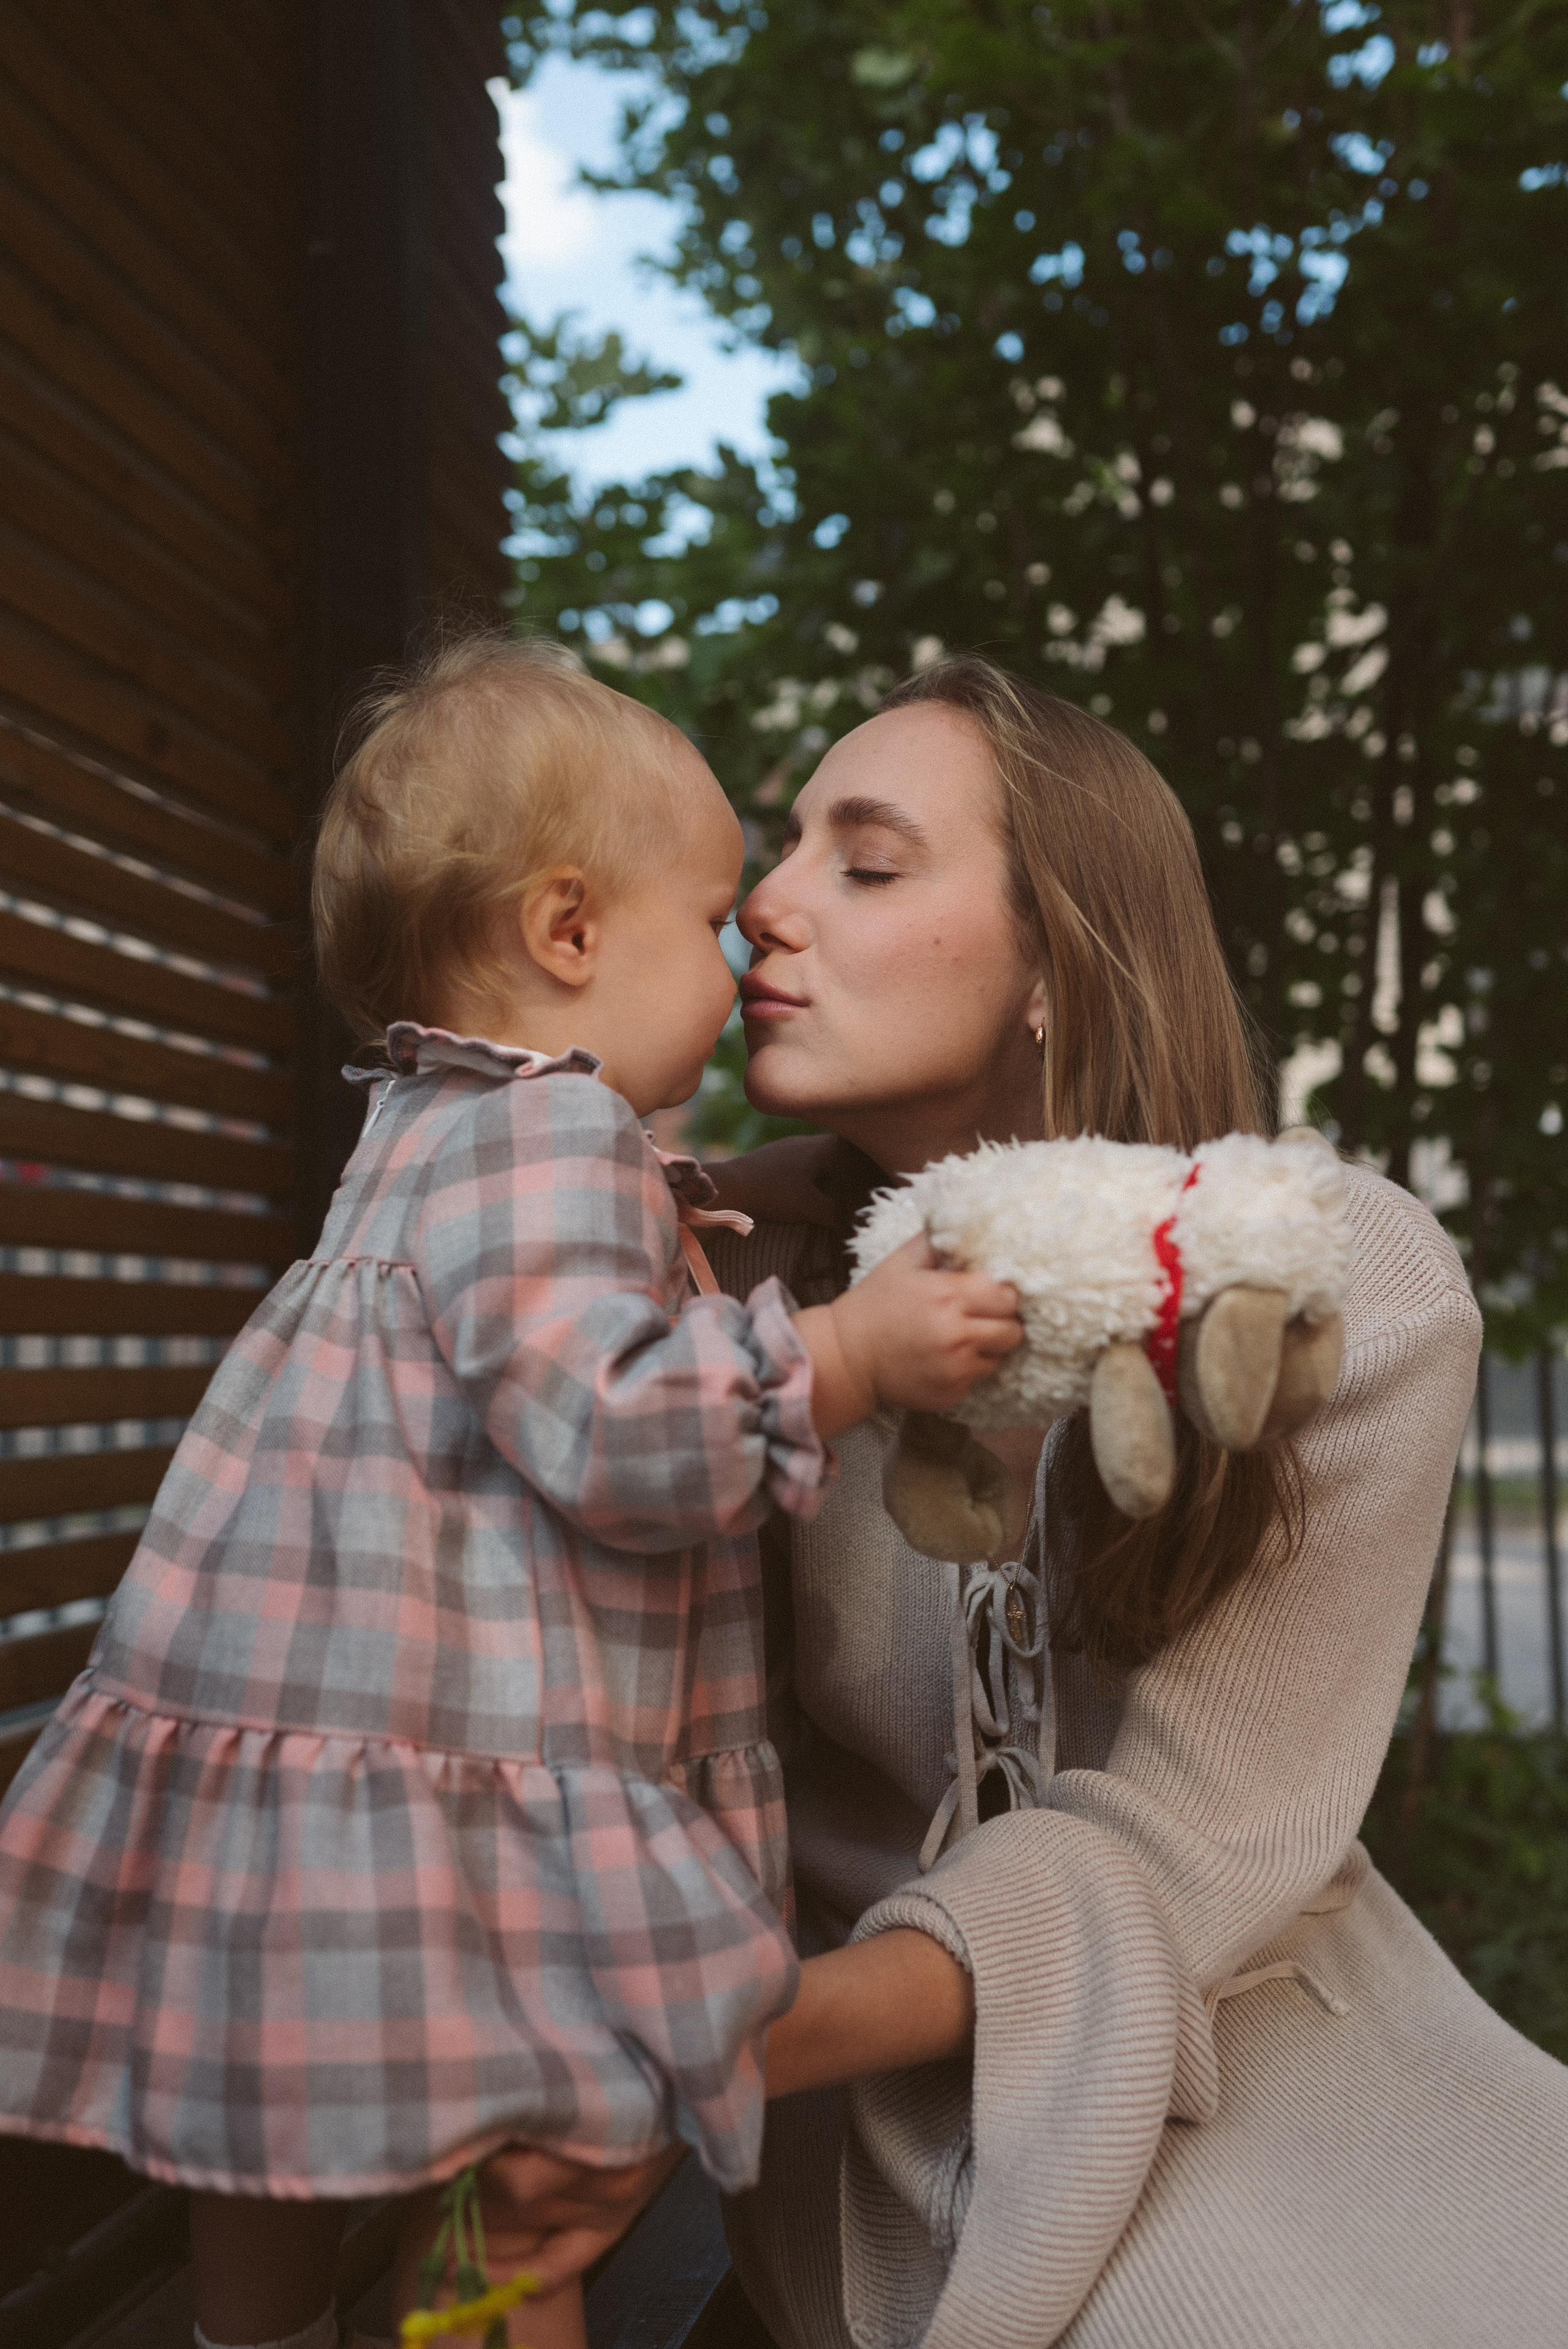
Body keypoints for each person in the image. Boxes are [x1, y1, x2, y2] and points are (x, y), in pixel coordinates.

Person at [492, 657, 1568, 2345]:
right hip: (855, 2109)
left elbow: (1189, 1847)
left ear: (1060, 962)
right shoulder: (719, 1312)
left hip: (1241, 2025)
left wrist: (724, 2040)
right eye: (784, 849)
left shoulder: (1320, 1287)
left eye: (866, 861)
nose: (762, 904)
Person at [0, 636, 1025, 2349]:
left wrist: (724, 1196)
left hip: (316, 1777)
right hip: (468, 1793)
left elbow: (538, 1303)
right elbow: (610, 1425)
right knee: (517, 2196)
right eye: (710, 921)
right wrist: (848, 1353)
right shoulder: (556, 1142)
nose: (739, 959)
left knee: (261, 2136)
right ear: (567, 932)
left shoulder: (429, 1123)